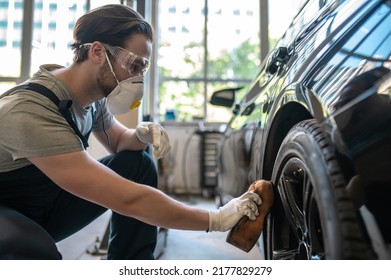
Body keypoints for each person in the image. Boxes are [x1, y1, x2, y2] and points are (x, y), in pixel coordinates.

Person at [0, 4, 262, 260]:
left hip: (38, 206)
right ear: (98, 52)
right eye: (133, 65)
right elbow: (129, 199)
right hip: (7, 209)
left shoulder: (93, 99)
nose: (137, 78)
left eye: (142, 69)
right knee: (30, 250)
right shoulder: (31, 108)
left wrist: (140, 135)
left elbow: (120, 143)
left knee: (138, 164)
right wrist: (214, 219)